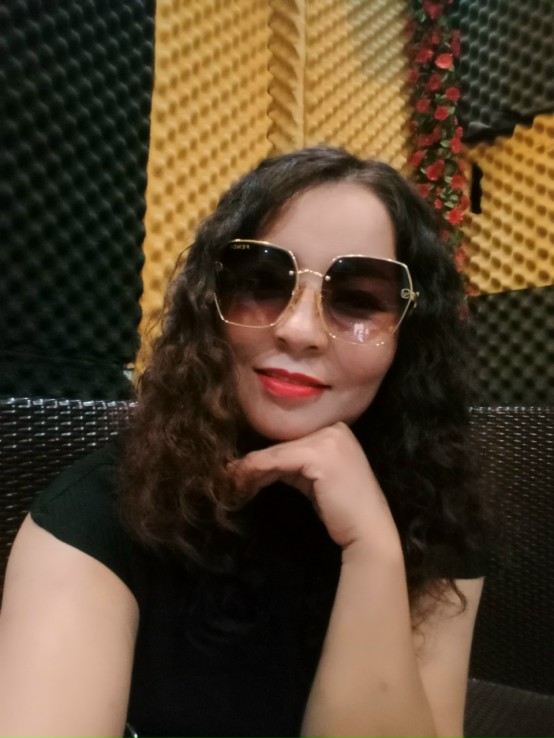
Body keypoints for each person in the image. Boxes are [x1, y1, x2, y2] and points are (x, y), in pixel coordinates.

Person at [0, 145, 487, 738]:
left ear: (409, 337)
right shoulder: (94, 518)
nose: (299, 329)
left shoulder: (439, 513)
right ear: (209, 304)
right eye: (261, 283)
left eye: (358, 300)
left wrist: (373, 552)